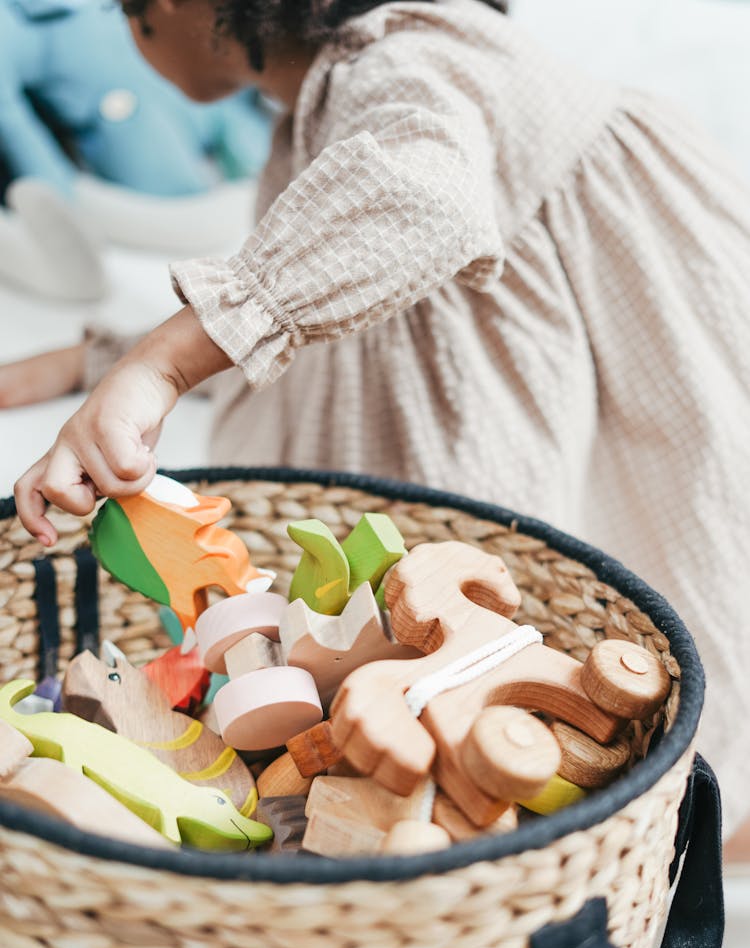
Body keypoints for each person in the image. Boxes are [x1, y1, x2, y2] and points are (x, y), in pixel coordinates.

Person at [3, 0, 750, 841]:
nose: (136, 42)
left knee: (574, 583)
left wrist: (165, 362)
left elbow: (419, 202)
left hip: (596, 358)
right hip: (496, 307)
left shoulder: (397, 64)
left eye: (129, 17)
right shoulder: (357, 88)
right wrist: (112, 360)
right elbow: (332, 296)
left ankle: (680, 816)